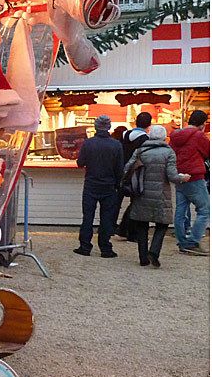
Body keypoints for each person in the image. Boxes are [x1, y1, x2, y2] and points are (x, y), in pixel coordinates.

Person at [124, 125, 190, 267]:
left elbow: (127, 168)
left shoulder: (140, 150)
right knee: (162, 224)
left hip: (141, 193)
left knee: (142, 224)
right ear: (164, 137)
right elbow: (172, 176)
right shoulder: (168, 152)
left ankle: (143, 257)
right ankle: (153, 252)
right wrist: (182, 178)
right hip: (161, 194)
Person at [74, 115, 123, 258]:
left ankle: (85, 246)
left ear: (95, 126)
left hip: (91, 184)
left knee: (88, 216)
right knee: (106, 218)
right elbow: (120, 169)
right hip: (109, 186)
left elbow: (80, 162)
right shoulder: (116, 145)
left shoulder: (88, 144)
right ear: (109, 127)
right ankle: (105, 248)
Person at [170, 110, 210, 255]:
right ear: (203, 123)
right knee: (205, 210)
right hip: (194, 176)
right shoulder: (199, 135)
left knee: (181, 210)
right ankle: (193, 241)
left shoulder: (175, 136)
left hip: (179, 176)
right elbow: (208, 152)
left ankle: (182, 242)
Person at [115, 112, 152, 240]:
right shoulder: (146, 140)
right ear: (149, 125)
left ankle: (110, 229)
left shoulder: (124, 135)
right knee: (136, 203)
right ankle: (130, 231)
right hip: (136, 173)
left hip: (121, 172)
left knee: (116, 202)